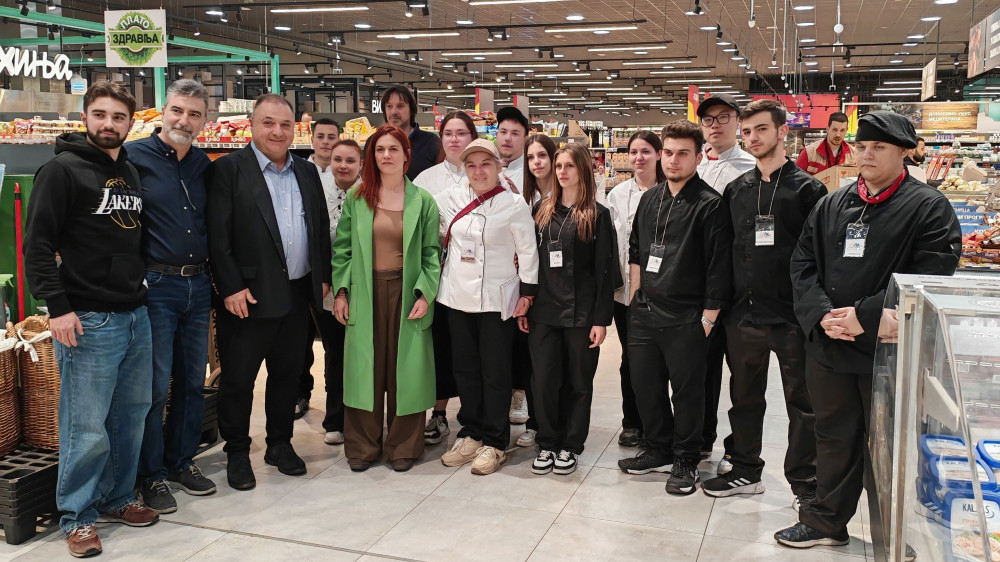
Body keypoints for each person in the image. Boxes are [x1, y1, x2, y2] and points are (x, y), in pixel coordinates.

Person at [776, 111, 961, 548]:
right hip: (830, 345)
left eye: (879, 147)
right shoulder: (832, 203)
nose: (866, 154)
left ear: (904, 152)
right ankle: (825, 522)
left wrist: (866, 316)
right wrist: (822, 315)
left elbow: (932, 274)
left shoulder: (929, 207)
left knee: (888, 445)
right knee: (832, 434)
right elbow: (802, 263)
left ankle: (891, 533)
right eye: (862, 146)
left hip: (888, 348)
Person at [24, 81, 159, 558]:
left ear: (130, 122)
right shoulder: (61, 171)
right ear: (86, 117)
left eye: (118, 117)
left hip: (133, 314)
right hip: (87, 318)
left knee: (130, 416)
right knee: (85, 425)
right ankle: (78, 517)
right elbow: (36, 247)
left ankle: (118, 498)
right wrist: (57, 308)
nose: (108, 124)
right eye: (100, 115)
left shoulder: (129, 171)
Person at [700, 100, 825, 506]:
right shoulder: (736, 190)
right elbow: (725, 253)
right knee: (745, 398)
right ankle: (746, 469)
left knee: (802, 406)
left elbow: (819, 259)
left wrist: (816, 312)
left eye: (761, 130)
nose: (752, 138)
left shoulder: (809, 190)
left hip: (792, 317)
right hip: (744, 315)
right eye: (748, 131)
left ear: (782, 132)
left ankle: (806, 486)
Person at [206, 94, 332, 490]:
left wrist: (323, 281)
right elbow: (217, 234)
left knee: (288, 375)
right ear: (253, 125)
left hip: (297, 295)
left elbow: (319, 230)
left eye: (285, 125)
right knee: (240, 380)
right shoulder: (229, 169)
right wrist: (230, 287)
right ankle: (238, 452)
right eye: (268, 123)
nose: (278, 131)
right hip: (247, 296)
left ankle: (280, 443)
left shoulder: (306, 171)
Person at [620, 119, 732, 495]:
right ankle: (657, 447)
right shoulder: (651, 197)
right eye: (668, 152)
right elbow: (636, 249)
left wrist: (707, 319)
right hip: (645, 312)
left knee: (687, 392)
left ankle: (686, 459)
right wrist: (636, 297)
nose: (673, 160)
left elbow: (719, 266)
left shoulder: (710, 205)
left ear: (699, 157)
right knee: (646, 386)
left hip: (687, 317)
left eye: (683, 153)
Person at [128, 79, 216, 515]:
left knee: (191, 382)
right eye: (178, 110)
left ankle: (182, 462)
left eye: (195, 114)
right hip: (156, 286)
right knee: (154, 387)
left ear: (204, 121)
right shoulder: (133, 159)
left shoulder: (204, 165)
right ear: (163, 110)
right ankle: (152, 475)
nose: (185, 120)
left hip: (197, 286)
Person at [332, 124, 441, 473]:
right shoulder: (358, 197)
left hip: (407, 292)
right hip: (365, 291)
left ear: (407, 155)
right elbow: (343, 250)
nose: (387, 156)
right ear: (372, 157)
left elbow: (431, 254)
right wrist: (342, 291)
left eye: (394, 149)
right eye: (380, 150)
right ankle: (362, 446)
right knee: (365, 369)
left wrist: (425, 292)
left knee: (405, 371)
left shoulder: (421, 201)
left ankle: (403, 446)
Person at [435, 138, 539, 475]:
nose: (478, 171)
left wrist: (528, 293)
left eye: (485, 164)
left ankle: (495, 441)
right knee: (465, 369)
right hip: (456, 299)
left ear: (498, 166)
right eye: (471, 165)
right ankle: (472, 432)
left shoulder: (514, 204)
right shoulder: (451, 199)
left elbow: (528, 252)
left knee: (495, 373)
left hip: (497, 301)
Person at [520, 143, 617, 477]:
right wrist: (525, 302)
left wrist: (602, 320)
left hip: (582, 314)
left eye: (569, 166)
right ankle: (547, 442)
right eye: (558, 165)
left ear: (583, 170)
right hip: (544, 312)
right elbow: (530, 263)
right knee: (544, 382)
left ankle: (571, 445)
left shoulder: (598, 215)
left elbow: (606, 273)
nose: (561, 171)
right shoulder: (541, 210)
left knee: (579, 384)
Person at [695, 93, 755, 462]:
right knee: (703, 367)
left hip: (740, 285)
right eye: (708, 120)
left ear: (737, 122)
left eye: (723, 117)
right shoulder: (696, 166)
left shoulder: (750, 167)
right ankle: (701, 438)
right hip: (700, 284)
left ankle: (741, 450)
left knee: (743, 375)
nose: (715, 125)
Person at [413, 111, 478, 445]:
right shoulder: (425, 180)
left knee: (468, 349)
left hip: (473, 282)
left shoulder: (484, 176)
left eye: (462, 133)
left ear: (473, 137)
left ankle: (471, 415)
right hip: (435, 279)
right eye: (449, 134)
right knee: (437, 346)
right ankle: (438, 414)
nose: (455, 140)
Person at [294, 120, 356, 447]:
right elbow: (313, 239)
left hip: (363, 287)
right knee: (335, 351)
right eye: (338, 159)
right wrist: (321, 280)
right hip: (327, 288)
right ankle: (335, 418)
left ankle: (362, 416)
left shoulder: (367, 195)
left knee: (359, 353)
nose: (343, 165)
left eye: (350, 160)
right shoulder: (316, 191)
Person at [605, 130, 666, 449]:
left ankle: (660, 423)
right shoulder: (617, 195)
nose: (639, 157)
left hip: (663, 294)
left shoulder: (670, 191)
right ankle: (632, 422)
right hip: (625, 295)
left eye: (646, 151)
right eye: (634, 152)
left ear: (659, 154)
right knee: (631, 359)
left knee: (661, 361)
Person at [512, 133, 558, 449]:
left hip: (556, 292)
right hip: (527, 289)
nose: (537, 162)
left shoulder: (566, 196)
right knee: (531, 362)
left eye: (542, 155)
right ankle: (534, 422)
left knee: (553, 365)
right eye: (531, 157)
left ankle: (552, 425)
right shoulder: (524, 200)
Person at [294, 117, 341, 420]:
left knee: (333, 343)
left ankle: (335, 408)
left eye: (331, 136)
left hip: (333, 272)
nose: (325, 141)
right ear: (311, 140)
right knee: (299, 341)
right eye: (320, 136)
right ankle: (301, 393)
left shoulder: (346, 173)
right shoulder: (300, 172)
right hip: (300, 269)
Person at [381, 84, 442, 180]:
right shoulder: (374, 142)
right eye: (389, 106)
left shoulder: (431, 142)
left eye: (400, 106)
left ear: (411, 110)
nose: (393, 112)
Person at [496, 106, 529, 195]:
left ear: (525, 140)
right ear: (496, 135)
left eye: (514, 133)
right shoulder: (485, 169)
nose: (507, 138)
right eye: (503, 132)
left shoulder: (531, 174)